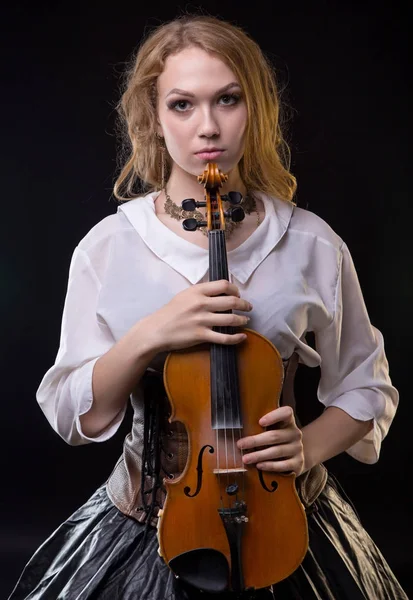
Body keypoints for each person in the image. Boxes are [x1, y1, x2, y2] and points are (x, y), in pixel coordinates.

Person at [8, 12, 408, 600]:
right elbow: (74, 414)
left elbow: (367, 389)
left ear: (258, 108)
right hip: (147, 521)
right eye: (182, 105)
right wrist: (150, 334)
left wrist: (308, 447)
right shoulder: (108, 247)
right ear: (152, 116)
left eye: (228, 99)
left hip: (286, 516)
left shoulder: (312, 243)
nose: (208, 127)